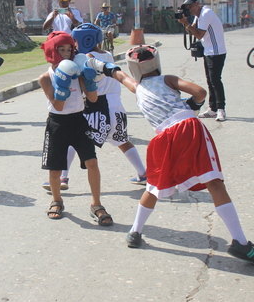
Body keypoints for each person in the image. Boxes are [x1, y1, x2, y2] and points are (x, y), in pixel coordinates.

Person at [101, 45, 254, 263]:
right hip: (187, 128)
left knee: (153, 187)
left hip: (162, 138)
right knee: (214, 182)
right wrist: (191, 105)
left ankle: (135, 232)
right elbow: (200, 92)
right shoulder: (168, 79)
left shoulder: (136, 87)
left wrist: (100, 65)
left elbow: (118, 74)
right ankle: (239, 241)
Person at [53, 23, 146, 190]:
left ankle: (62, 178)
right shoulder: (108, 55)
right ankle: (143, 173)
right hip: (116, 106)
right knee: (122, 141)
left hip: (96, 106)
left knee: (73, 141)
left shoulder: (84, 57)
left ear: (82, 40)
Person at [37, 31, 113, 226]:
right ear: (52, 51)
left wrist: (89, 80)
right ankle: (57, 200)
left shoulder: (77, 71)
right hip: (57, 123)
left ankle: (96, 204)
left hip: (79, 120)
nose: (65, 53)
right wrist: (61, 86)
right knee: (55, 169)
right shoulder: (46, 77)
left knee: (92, 162)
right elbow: (58, 106)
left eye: (68, 49)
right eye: (60, 49)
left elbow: (94, 99)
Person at [178, 0, 227, 122]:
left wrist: (186, 23)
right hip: (208, 51)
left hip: (216, 52)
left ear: (196, 4)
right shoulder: (198, 15)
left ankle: (221, 109)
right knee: (210, 80)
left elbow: (199, 34)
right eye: (187, 8)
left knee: (215, 80)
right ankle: (212, 108)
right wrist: (185, 23)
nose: (189, 9)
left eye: (190, 7)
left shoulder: (206, 13)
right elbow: (192, 30)